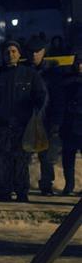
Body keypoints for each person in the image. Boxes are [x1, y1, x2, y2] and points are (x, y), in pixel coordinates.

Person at [0, 40, 47, 202]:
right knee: (2, 160)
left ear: (19, 54)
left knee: (21, 160)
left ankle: (21, 192)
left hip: (22, 125)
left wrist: (35, 112)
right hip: (1, 125)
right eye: (7, 52)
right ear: (3, 55)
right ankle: (4, 191)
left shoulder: (29, 74)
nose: (10, 55)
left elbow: (40, 95)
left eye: (13, 51)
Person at [25, 36, 63, 196]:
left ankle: (46, 185)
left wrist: (56, 121)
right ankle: (21, 185)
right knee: (23, 155)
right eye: (32, 52)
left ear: (43, 52)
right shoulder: (23, 71)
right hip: (26, 119)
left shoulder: (53, 73)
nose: (34, 55)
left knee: (46, 157)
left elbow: (58, 98)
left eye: (38, 51)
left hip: (46, 120)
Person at [53, 51, 82, 196]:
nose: (80, 66)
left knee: (69, 158)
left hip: (76, 124)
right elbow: (60, 102)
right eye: (78, 63)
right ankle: (68, 186)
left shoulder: (68, 81)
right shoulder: (67, 81)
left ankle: (69, 187)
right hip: (69, 125)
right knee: (68, 159)